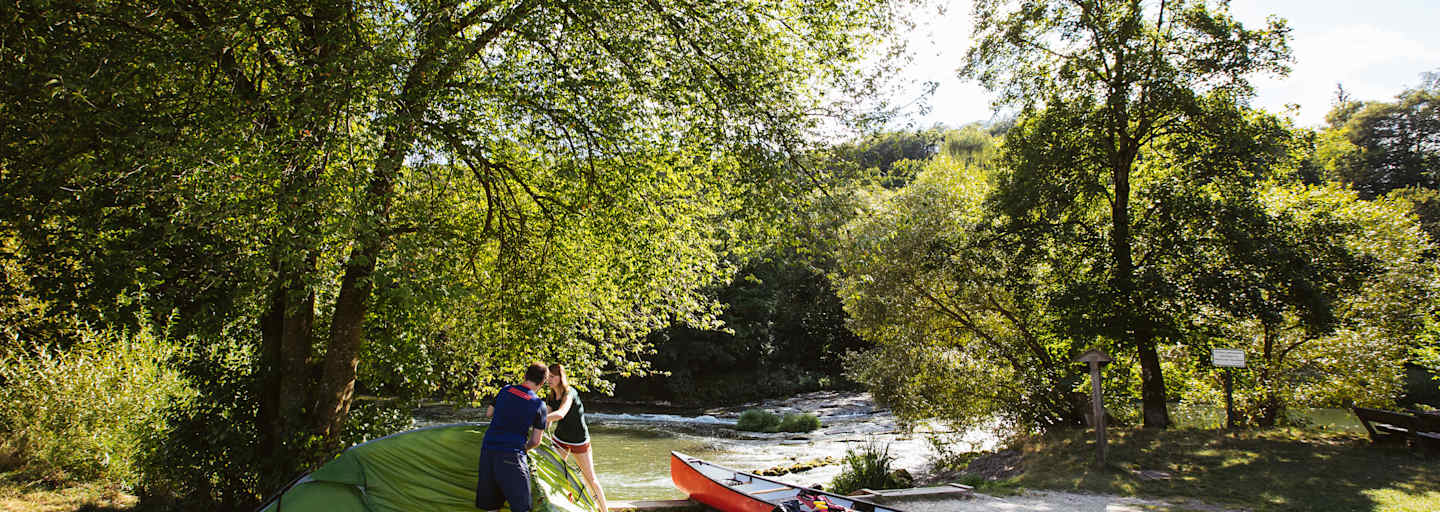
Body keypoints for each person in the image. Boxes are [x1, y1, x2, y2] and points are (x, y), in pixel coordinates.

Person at [476, 362, 550, 512]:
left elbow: (489, 413)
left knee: (491, 506)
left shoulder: (505, 390)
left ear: (525, 375)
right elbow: (536, 441)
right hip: (512, 455)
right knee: (521, 507)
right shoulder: (538, 405)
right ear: (542, 383)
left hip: (488, 450)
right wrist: (524, 448)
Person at [545, 363, 609, 512]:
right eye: (548, 376)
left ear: (561, 378)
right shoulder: (551, 395)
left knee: (590, 479)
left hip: (579, 440)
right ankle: (562, 505)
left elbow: (561, 413)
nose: (549, 379)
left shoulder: (570, 393)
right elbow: (546, 418)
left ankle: (604, 510)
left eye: (553, 376)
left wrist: (538, 418)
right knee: (556, 472)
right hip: (560, 439)